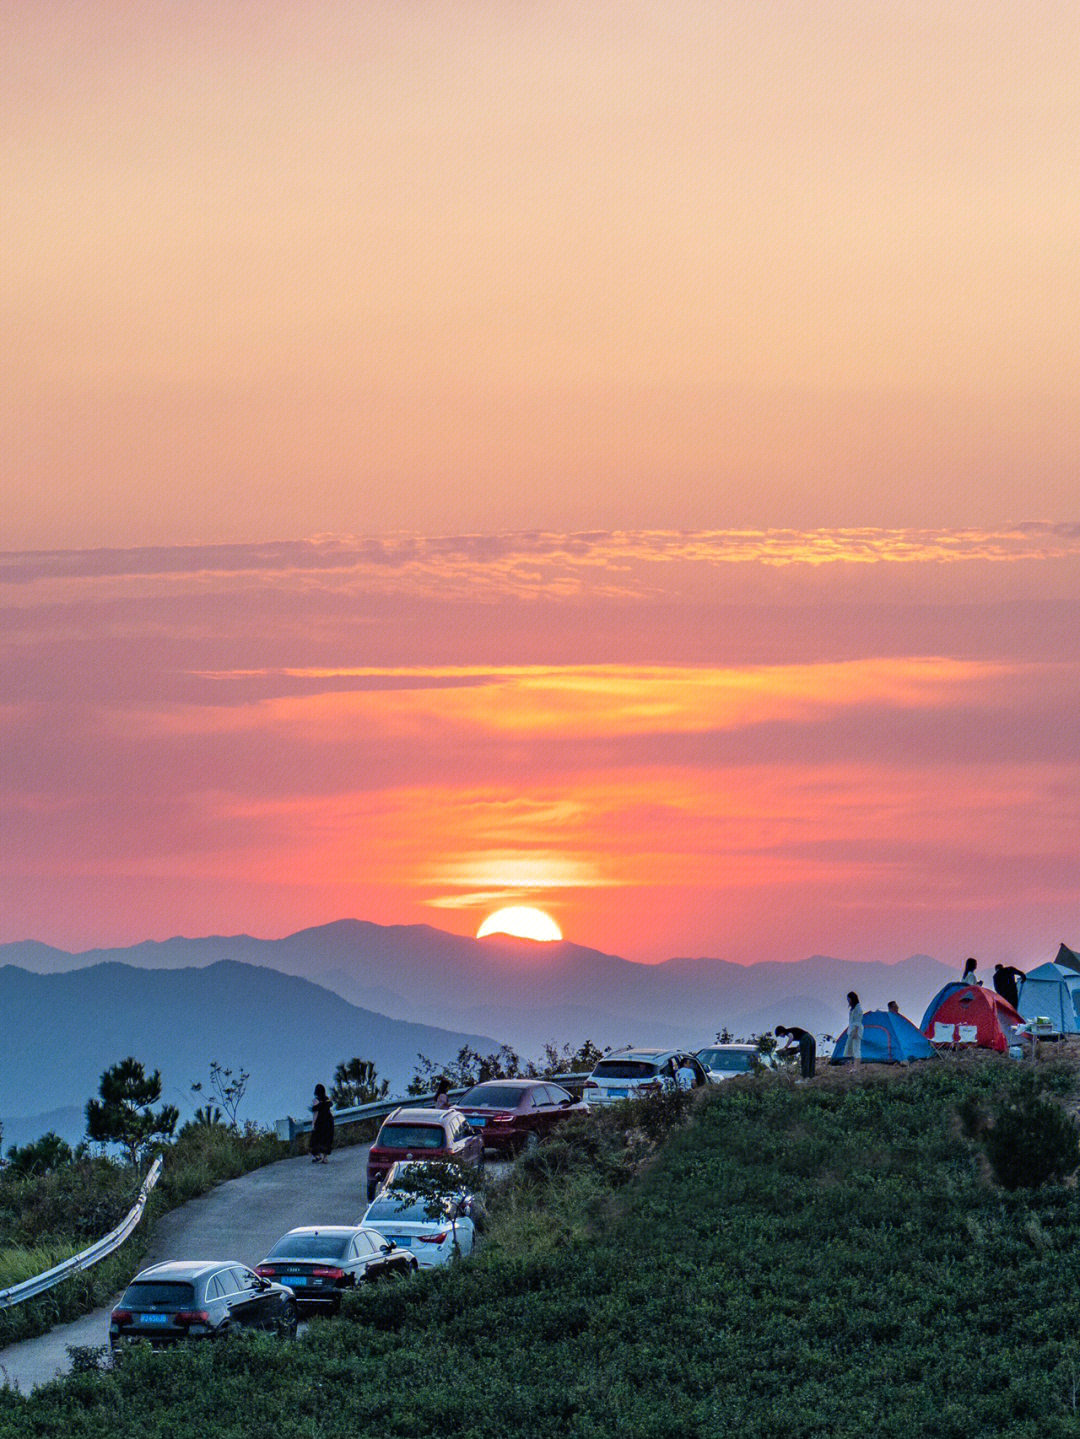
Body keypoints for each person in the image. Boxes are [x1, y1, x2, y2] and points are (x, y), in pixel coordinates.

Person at [309, 1083, 334, 1164]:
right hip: (329, 1121)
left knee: (315, 1139)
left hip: (320, 1122)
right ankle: (325, 1158)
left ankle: (318, 1156)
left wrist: (313, 1124)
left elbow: (315, 1113)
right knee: (327, 1139)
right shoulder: (327, 1099)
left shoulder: (316, 1101)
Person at [847, 992, 864, 1067]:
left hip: (856, 1030)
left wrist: (855, 1032)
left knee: (856, 1049)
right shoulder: (853, 1008)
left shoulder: (858, 1009)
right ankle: (855, 1066)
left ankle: (856, 1067)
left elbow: (858, 1021)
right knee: (854, 1049)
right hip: (852, 1030)